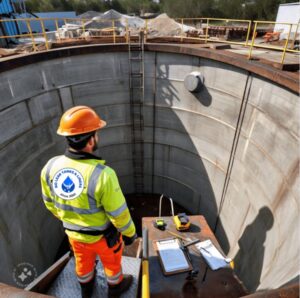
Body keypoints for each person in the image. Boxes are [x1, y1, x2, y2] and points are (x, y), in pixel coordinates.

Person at [40, 106, 137, 298]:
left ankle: (86, 289)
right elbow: (119, 213)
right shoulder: (102, 175)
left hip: (75, 237)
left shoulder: (50, 167)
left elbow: (49, 203)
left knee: (82, 264)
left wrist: (72, 220)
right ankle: (115, 286)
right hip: (103, 238)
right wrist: (130, 234)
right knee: (112, 263)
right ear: (91, 139)